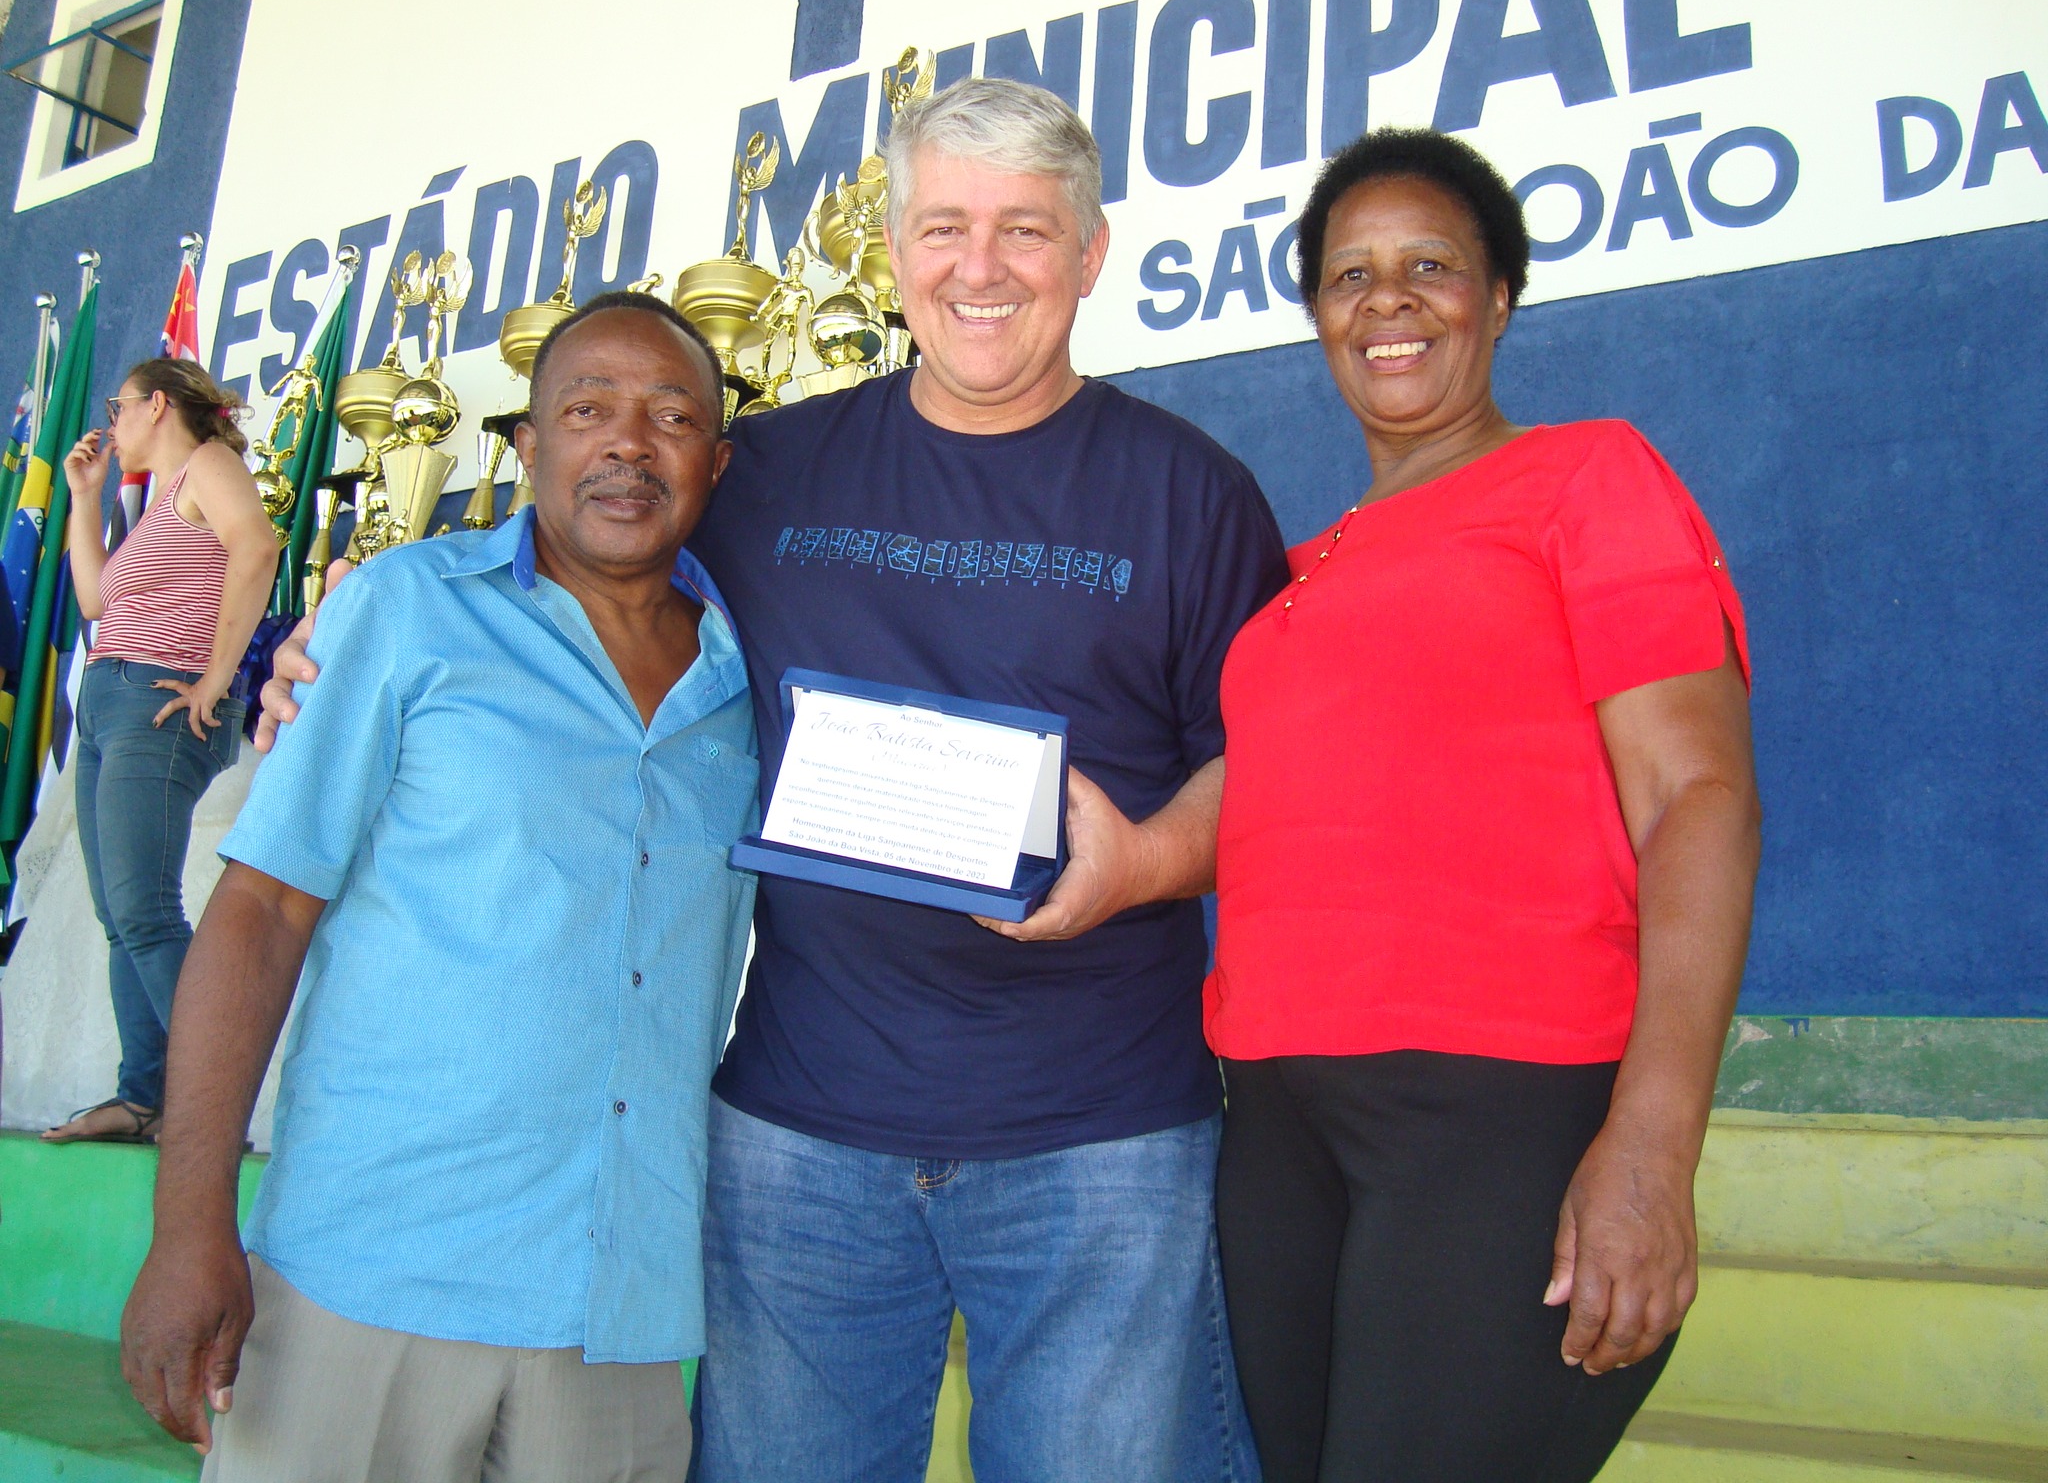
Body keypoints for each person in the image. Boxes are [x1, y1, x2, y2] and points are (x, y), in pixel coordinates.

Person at [264, 80, 1284, 1483]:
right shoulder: (770, 475)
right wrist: (335, 639)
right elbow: (580, 560)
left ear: (1091, 255)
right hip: (800, 1139)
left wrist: (1150, 864)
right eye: (943, 226)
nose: (978, 269)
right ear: (896, 251)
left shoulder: (1197, 495)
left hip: (1096, 1142)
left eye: (1025, 232)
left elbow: (1276, 776)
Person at [121, 294, 756, 1483]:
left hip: (612, 1307)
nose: (627, 443)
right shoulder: (405, 612)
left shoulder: (749, 675)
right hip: (371, 1276)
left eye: (669, 417)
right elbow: (260, 913)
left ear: (714, 464)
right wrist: (188, 1222)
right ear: (526, 446)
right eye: (586, 410)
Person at [1206, 126, 1762, 1482]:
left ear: (1498, 298)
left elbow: (1699, 798)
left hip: (1498, 1124)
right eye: (1349, 276)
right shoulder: (1291, 573)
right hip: (1275, 1130)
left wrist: (1651, 1144)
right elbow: (1230, 821)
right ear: (1318, 316)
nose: (1386, 299)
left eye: (1430, 267)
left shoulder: (1585, 480)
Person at [41, 360, 277, 1144]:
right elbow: (95, 599)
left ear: (158, 404)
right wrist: (84, 497)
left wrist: (217, 673)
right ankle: (144, 1097)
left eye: (120, 406)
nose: (112, 421)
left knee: (144, 907)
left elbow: (259, 547)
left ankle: (210, 1109)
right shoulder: (159, 501)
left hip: (159, 700)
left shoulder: (210, 464)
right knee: (120, 913)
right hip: (110, 699)